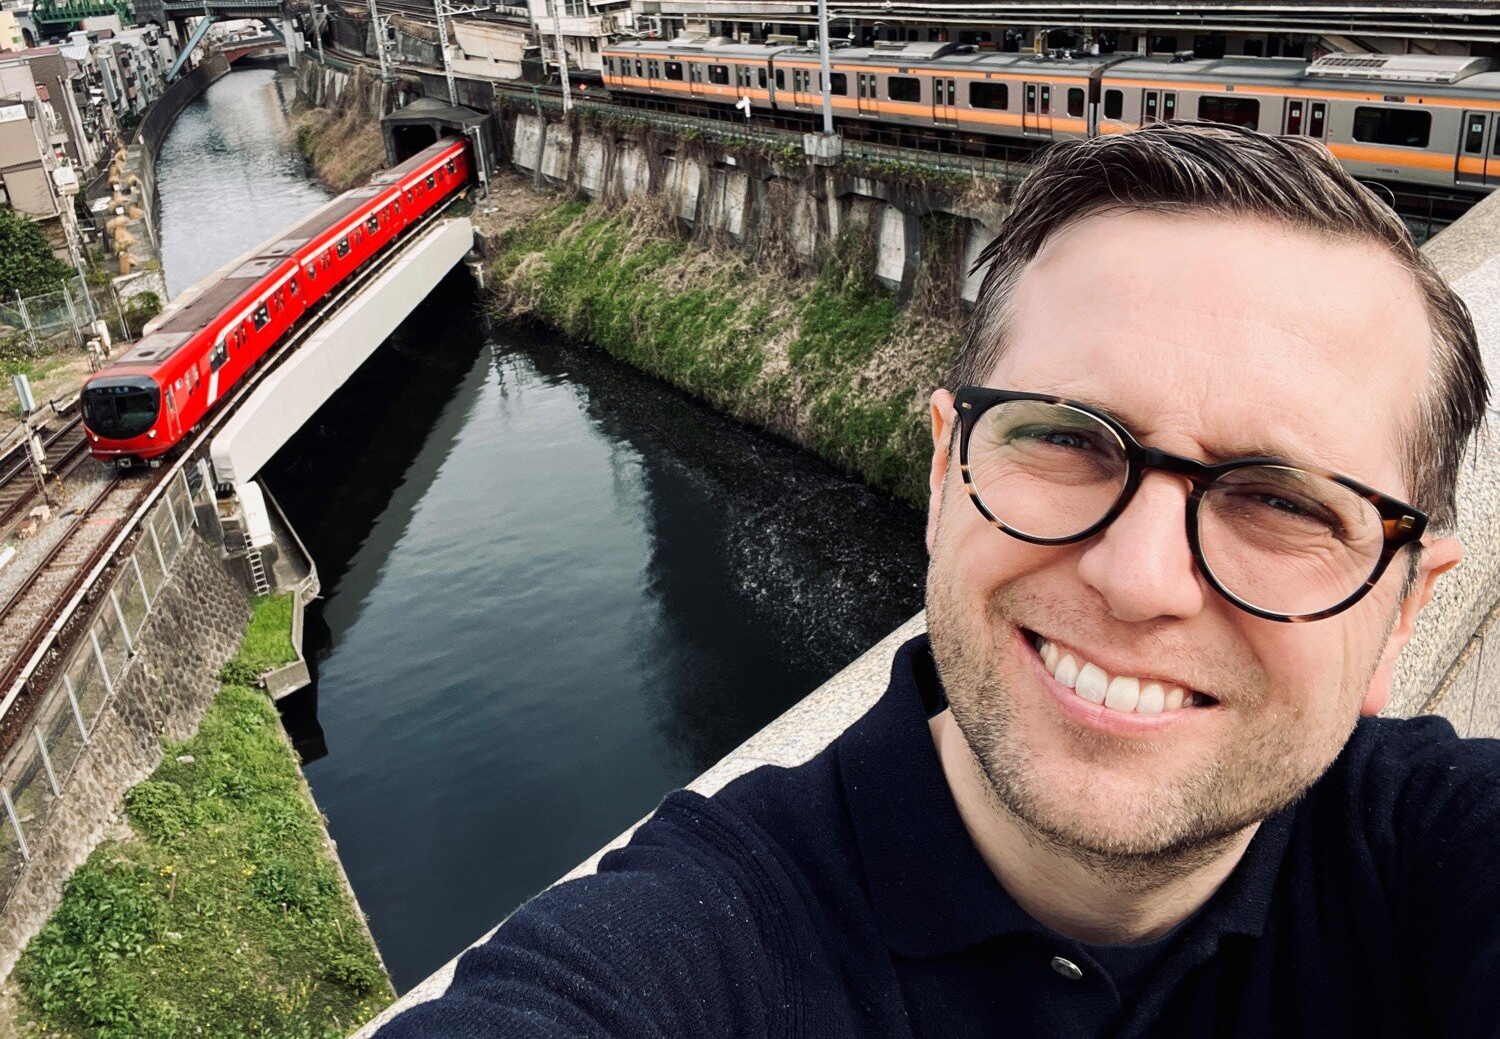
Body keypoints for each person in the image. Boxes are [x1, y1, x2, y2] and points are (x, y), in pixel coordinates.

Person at [380, 123, 1498, 1037]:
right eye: (1066, 438)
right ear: (941, 476)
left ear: (1404, 609)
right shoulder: (688, 947)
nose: (1141, 577)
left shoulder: (1439, 853)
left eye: (1286, 502)